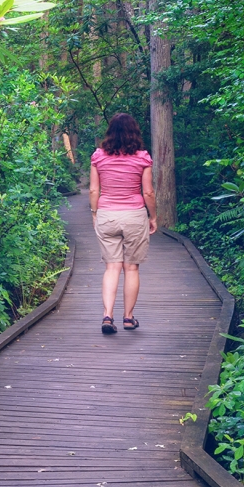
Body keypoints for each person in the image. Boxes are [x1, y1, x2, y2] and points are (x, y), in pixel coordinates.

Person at [88, 113, 158, 335]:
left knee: (112, 267)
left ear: (110, 132)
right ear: (134, 132)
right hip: (134, 216)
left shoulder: (98, 157)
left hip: (107, 214)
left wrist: (94, 213)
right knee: (131, 267)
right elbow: (147, 191)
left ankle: (107, 315)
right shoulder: (142, 158)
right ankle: (128, 318)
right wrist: (153, 216)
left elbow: (93, 190)